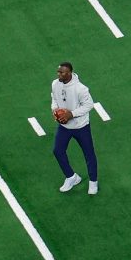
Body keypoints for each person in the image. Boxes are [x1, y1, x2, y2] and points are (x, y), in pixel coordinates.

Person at [50, 62, 98, 195]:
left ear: (69, 73)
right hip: (64, 127)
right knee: (58, 151)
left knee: (89, 154)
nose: (59, 74)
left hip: (81, 126)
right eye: (58, 72)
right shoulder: (55, 84)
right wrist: (55, 110)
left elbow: (89, 105)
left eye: (62, 72)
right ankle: (71, 177)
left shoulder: (80, 88)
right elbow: (54, 97)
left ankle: (93, 182)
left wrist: (71, 114)